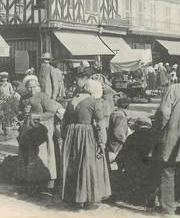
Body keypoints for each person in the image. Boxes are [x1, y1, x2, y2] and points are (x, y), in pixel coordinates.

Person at [60, 63, 111, 209]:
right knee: (86, 165)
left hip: (71, 134)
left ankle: (74, 199)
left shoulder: (71, 101)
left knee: (73, 164)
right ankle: (86, 199)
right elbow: (101, 124)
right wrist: (102, 143)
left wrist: (65, 137)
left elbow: (63, 123)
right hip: (86, 135)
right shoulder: (93, 103)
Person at [154, 70, 180, 216]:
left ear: (179, 78)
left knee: (167, 171)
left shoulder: (172, 89)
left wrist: (160, 130)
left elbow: (163, 112)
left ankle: (168, 210)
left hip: (172, 136)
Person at [17, 78, 63, 195]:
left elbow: (51, 112)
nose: (31, 89)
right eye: (29, 87)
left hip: (43, 128)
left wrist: (37, 116)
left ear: (38, 86)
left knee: (44, 154)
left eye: (34, 87)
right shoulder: (24, 98)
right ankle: (30, 181)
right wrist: (23, 113)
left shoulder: (43, 96)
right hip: (28, 129)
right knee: (28, 155)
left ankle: (48, 182)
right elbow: (19, 114)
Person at [116, 116, 157, 207]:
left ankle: (136, 199)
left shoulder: (131, 137)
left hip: (134, 169)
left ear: (138, 125)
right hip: (151, 167)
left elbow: (122, 154)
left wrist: (121, 165)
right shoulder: (155, 136)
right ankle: (149, 200)